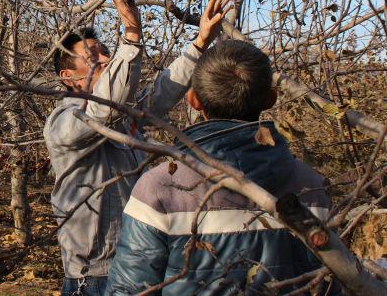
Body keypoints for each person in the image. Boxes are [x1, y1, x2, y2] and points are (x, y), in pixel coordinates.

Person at [106, 40, 338, 295]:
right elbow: (331, 283)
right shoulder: (313, 185)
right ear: (271, 99)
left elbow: (128, 289)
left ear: (193, 99)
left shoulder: (159, 189)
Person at [45, 0, 229, 296]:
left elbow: (163, 91)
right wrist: (131, 33)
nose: (105, 59)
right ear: (68, 77)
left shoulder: (121, 115)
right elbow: (103, 109)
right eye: (93, 56)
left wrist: (200, 43)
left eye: (107, 52)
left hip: (136, 261)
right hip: (94, 276)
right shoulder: (64, 123)